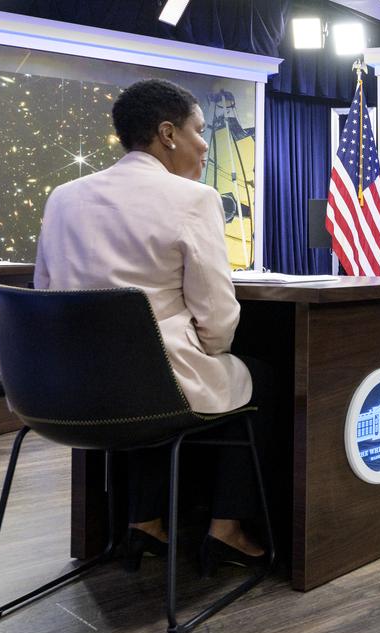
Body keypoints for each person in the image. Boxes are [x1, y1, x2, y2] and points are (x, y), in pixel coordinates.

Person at [35, 79, 267, 573]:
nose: (205, 144)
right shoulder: (195, 199)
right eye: (199, 131)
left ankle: (144, 523)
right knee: (257, 375)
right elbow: (219, 317)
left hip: (64, 396)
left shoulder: (62, 197)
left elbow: (45, 293)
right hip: (155, 392)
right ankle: (226, 529)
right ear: (168, 134)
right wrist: (210, 350)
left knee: (142, 372)